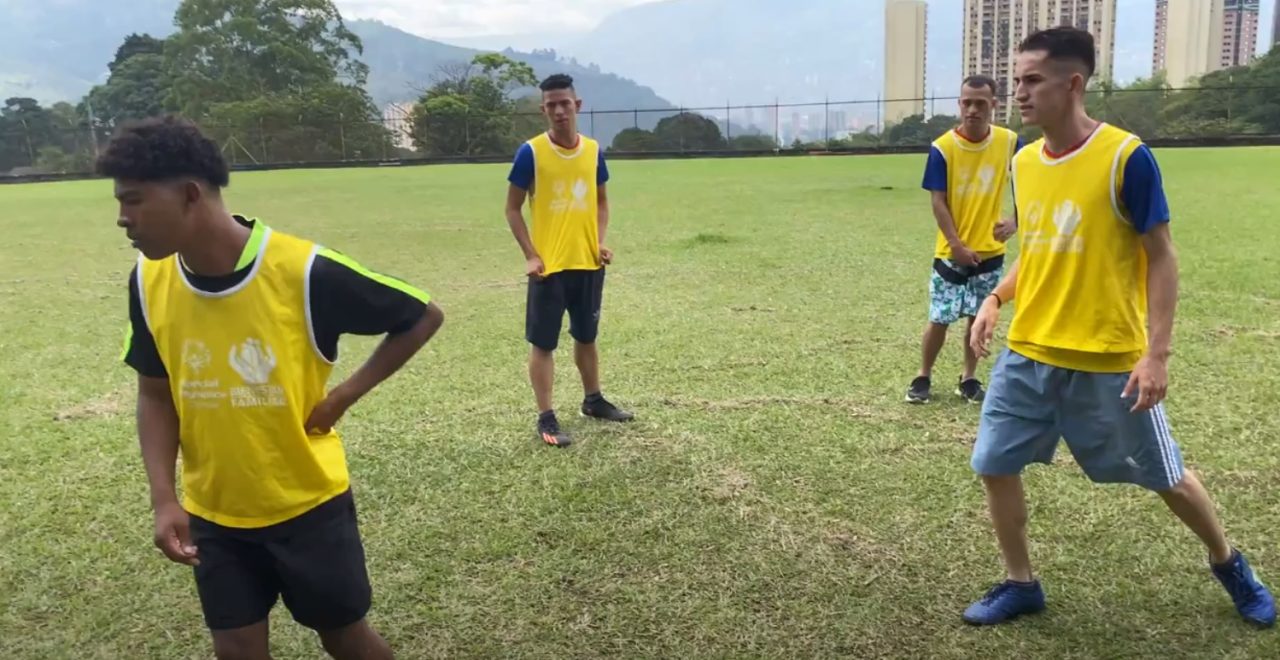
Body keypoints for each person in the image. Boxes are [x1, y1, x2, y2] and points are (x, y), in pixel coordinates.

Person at [965, 27, 1274, 628]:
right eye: (1018, 81)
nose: (1019, 95)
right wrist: (997, 299)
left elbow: (1161, 254)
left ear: (1073, 84)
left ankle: (1230, 562)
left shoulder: (1126, 157)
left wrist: (1156, 355)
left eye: (1033, 81)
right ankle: (1020, 582)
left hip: (1108, 360)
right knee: (993, 464)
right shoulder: (1025, 161)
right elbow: (1043, 248)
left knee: (1167, 478)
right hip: (1028, 354)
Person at [107, 116, 445, 658]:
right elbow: (154, 392)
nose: (123, 219)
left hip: (307, 506)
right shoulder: (148, 281)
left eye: (135, 201)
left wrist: (342, 397)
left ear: (191, 194)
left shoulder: (302, 271)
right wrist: (164, 499)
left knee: (344, 637)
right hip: (214, 515)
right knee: (236, 650)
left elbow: (421, 316)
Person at [505, 73, 633, 448]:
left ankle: (593, 401)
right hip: (549, 268)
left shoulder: (593, 151)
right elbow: (512, 209)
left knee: (587, 336)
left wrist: (599, 241)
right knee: (543, 343)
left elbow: (602, 201)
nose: (559, 111)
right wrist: (530, 255)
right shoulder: (531, 153)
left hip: (588, 264)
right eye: (551, 105)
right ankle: (546, 416)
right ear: (543, 110)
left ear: (577, 105)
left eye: (565, 103)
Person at [907, 75, 1022, 405]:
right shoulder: (943, 148)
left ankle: (968, 379)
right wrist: (956, 244)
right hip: (950, 253)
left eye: (980, 103)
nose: (972, 109)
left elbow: (1032, 180)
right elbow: (938, 201)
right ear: (959, 104)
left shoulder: (1011, 142)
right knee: (940, 317)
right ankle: (923, 376)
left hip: (991, 251)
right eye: (966, 102)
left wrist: (1016, 219)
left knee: (978, 318)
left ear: (994, 106)